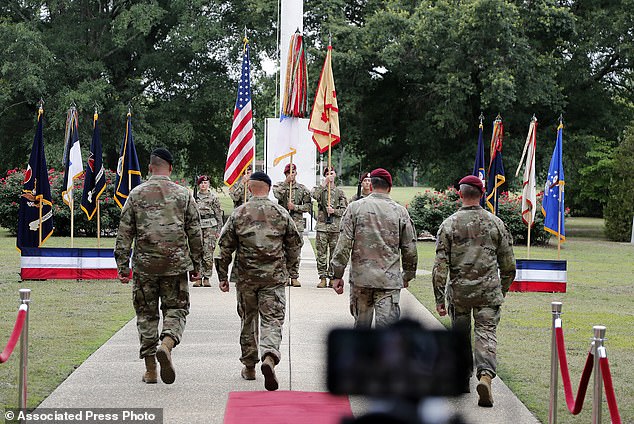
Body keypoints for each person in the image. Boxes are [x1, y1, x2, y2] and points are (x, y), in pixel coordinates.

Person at [114, 148, 203, 385]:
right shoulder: (183, 195)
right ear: (171, 168)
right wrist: (198, 265)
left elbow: (124, 233)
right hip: (175, 266)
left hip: (145, 266)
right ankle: (167, 344)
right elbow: (195, 233)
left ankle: (151, 369)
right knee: (176, 309)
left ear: (150, 167)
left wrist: (122, 266)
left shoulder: (136, 194)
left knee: (146, 315)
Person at [432, 174, 516, 407]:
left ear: (460, 194)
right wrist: (502, 290)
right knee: (486, 333)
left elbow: (440, 266)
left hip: (459, 293)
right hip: (488, 291)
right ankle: (486, 376)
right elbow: (509, 265)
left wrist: (439, 297)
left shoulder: (448, 224)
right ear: (482, 194)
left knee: (460, 335)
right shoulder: (496, 223)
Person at [216, 171, 303, 391]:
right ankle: (269, 356)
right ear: (268, 187)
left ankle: (249, 366)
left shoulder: (239, 213)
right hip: (273, 277)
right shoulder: (281, 212)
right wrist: (291, 269)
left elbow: (224, 247)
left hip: (246, 277)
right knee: (272, 319)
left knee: (248, 320)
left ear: (251, 188)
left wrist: (223, 276)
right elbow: (295, 243)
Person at [331, 168, 418, 329]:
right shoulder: (400, 212)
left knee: (361, 331)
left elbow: (343, 244)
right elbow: (410, 249)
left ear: (371, 186)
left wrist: (337, 274)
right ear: (389, 187)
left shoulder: (354, 208)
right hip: (388, 281)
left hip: (361, 279)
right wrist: (407, 275)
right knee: (387, 335)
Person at [272, 163, 312, 287]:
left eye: (293, 172)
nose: (291, 175)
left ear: (296, 173)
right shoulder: (279, 186)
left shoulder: (302, 189)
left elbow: (308, 206)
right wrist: (285, 183)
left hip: (296, 224)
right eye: (288, 173)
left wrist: (295, 207)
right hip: (282, 223)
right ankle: (283, 276)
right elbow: (276, 195)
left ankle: (294, 275)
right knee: (282, 250)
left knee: (295, 250)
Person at [311, 166, 348, 288]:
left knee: (334, 254)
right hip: (322, 226)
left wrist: (334, 211)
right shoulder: (320, 190)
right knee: (321, 253)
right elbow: (314, 195)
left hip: (335, 227)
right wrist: (324, 183)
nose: (330, 175)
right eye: (327, 173)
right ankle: (322, 277)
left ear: (335, 174)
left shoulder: (340, 193)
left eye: (331, 173)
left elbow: (345, 210)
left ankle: (332, 277)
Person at [194, 175, 223, 287]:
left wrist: (218, 230)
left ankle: (207, 277)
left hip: (210, 227)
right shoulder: (194, 197)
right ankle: (198, 277)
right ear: (198, 184)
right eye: (201, 183)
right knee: (197, 252)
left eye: (205, 183)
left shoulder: (213, 198)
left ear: (208, 184)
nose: (203, 185)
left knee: (208, 253)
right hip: (197, 227)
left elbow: (218, 214)